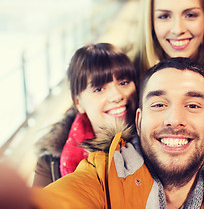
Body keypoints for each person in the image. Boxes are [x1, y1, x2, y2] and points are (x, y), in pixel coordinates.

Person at [33, 57, 204, 208]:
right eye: (159, 104)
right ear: (138, 121)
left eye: (192, 104)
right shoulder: (102, 174)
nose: (175, 119)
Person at [32, 43, 138, 187]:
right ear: (78, 103)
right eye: (99, 89)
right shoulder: (50, 165)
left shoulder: (155, 145)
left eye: (124, 82)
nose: (117, 96)